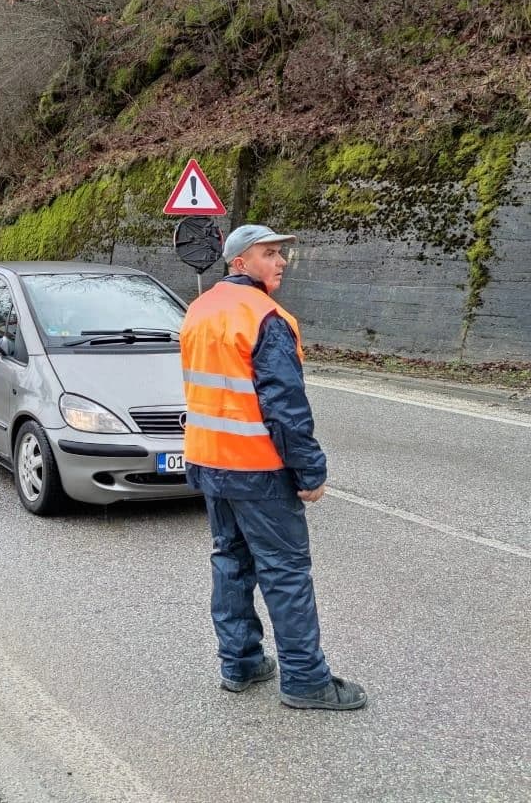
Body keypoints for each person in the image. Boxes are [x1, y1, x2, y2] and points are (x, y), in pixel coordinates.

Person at [180, 223, 366, 711]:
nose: (281, 261)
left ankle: (240, 663)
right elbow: (285, 406)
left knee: (230, 561)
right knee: (285, 571)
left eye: (281, 253)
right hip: (257, 468)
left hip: (208, 460)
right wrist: (310, 471)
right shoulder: (266, 316)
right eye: (269, 253)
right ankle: (306, 680)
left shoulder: (199, 310)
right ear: (239, 262)